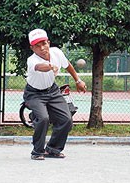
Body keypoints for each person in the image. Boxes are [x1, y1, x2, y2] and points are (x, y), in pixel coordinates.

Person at [24, 29, 86, 160]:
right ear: (32, 48)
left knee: (66, 119)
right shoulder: (32, 60)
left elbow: (67, 65)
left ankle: (53, 149)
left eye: (44, 44)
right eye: (37, 46)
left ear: (48, 43)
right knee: (43, 119)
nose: (42, 48)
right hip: (34, 94)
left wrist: (78, 80)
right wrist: (51, 66)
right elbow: (40, 67)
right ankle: (37, 151)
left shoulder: (56, 52)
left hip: (52, 91)